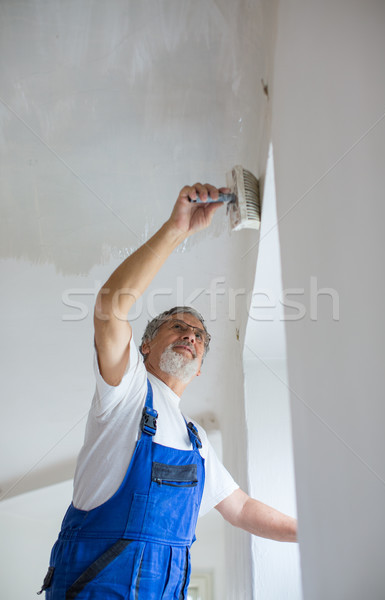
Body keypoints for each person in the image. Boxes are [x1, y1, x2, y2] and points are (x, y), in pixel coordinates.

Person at [39, 183, 297, 599]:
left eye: (198, 335)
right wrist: (177, 229)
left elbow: (243, 510)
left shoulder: (196, 440)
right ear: (144, 346)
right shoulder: (125, 392)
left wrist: (310, 532)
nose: (191, 336)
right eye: (178, 326)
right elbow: (110, 308)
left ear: (199, 370)